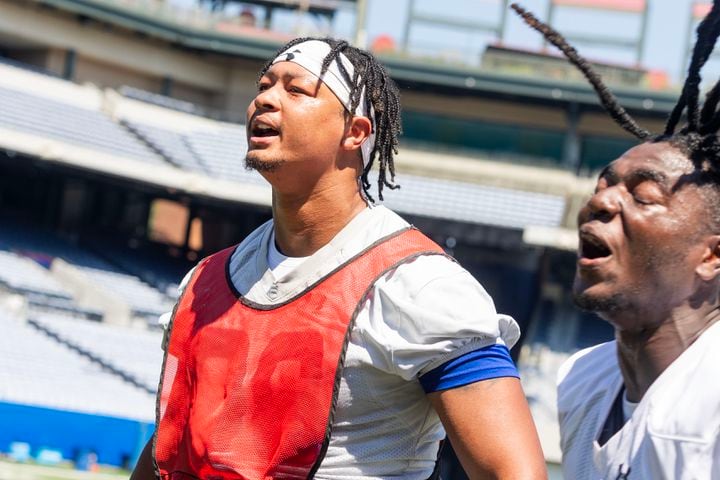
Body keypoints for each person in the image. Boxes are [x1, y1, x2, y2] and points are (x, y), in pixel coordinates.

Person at [130, 37, 546, 479]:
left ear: (355, 132)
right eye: (264, 86)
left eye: (296, 90)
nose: (265, 99)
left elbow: (512, 472)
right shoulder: (205, 280)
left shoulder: (418, 284)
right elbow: (172, 444)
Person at [512, 3, 720, 479]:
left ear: (712, 255)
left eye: (644, 195)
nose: (602, 202)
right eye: (603, 184)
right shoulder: (584, 379)